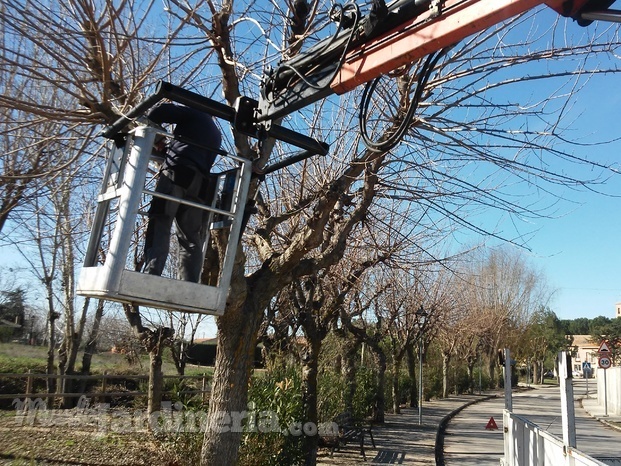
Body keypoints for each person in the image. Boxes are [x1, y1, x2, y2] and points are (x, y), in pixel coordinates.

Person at [142, 102, 222, 283]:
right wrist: (168, 147)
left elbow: (158, 111)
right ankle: (189, 281)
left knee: (161, 219)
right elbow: (191, 152)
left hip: (176, 174)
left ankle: (151, 275)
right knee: (191, 236)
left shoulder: (194, 112)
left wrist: (156, 137)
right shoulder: (216, 134)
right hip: (199, 183)